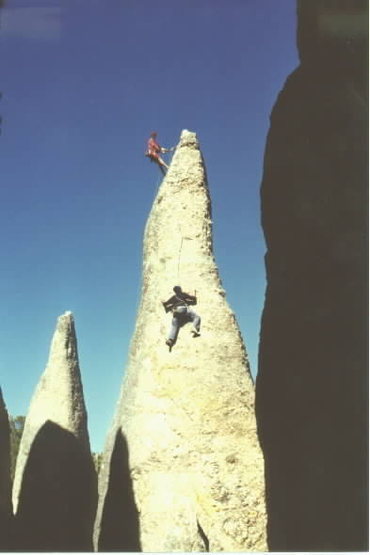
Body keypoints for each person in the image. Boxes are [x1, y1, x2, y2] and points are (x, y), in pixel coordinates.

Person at [162, 286, 201, 350]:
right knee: (196, 317)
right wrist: (194, 297)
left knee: (175, 326)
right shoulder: (183, 294)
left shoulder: (173, 297)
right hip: (183, 309)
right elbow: (191, 298)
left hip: (175, 312)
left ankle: (171, 340)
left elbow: (166, 303)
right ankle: (194, 329)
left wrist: (164, 303)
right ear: (180, 290)